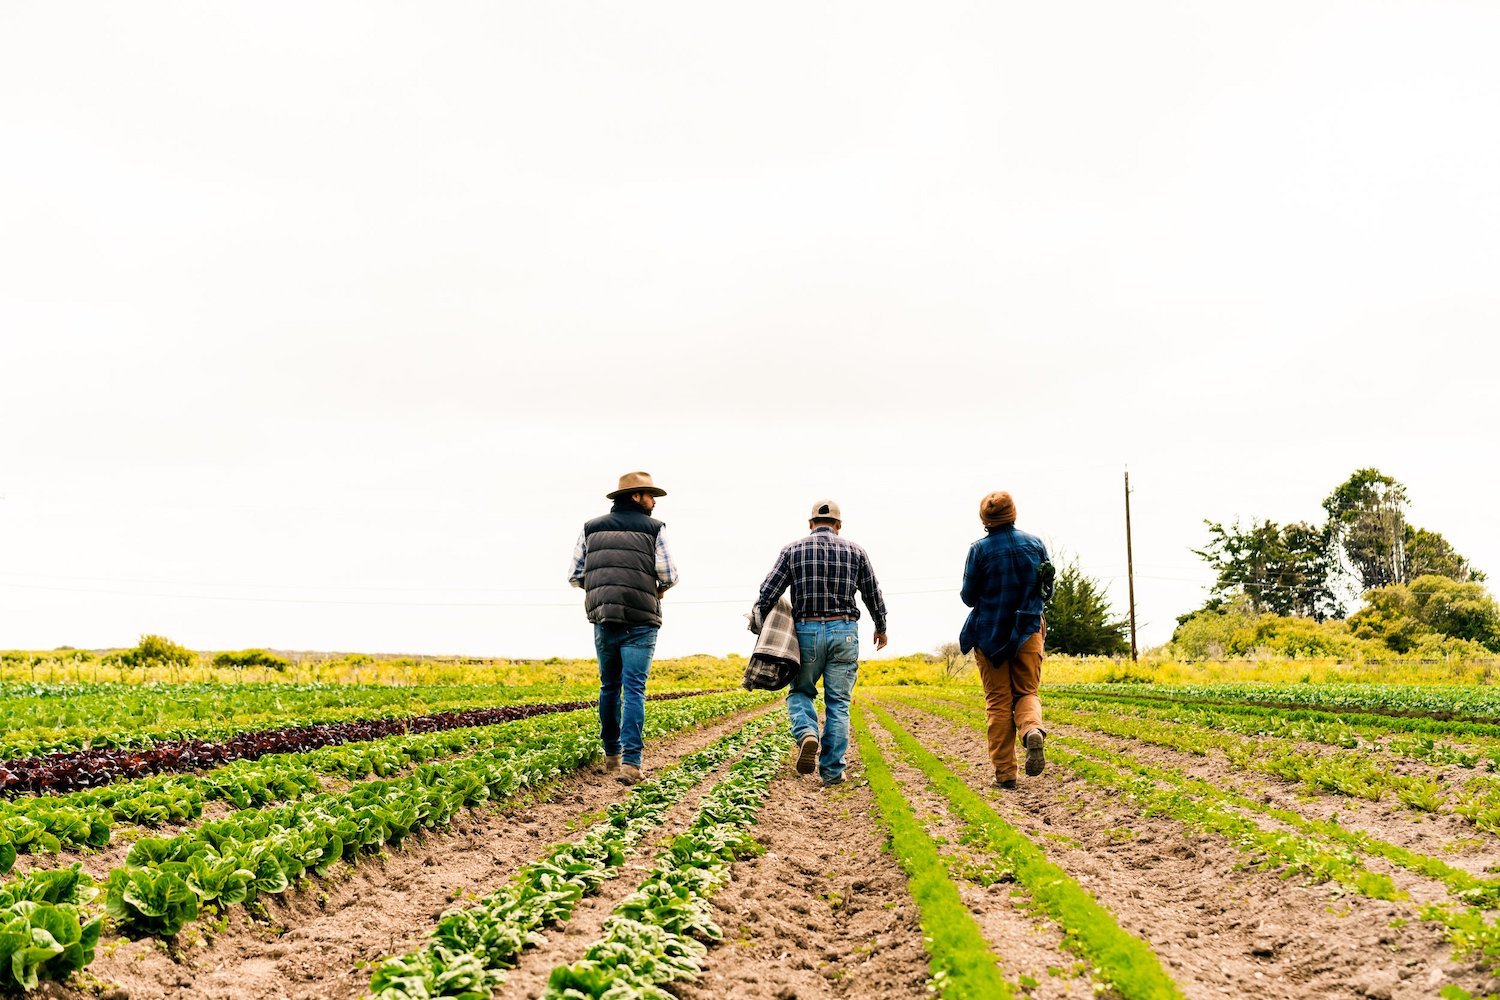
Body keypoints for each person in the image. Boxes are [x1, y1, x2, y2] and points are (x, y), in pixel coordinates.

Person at [756, 499, 887, 787]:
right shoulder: (856, 551)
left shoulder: (792, 550)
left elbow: (768, 591)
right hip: (845, 631)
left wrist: (761, 618)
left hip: (806, 632)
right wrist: (881, 626)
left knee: (801, 691)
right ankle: (831, 772)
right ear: (838, 525)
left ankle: (807, 733)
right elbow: (872, 593)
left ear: (810, 523)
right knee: (839, 703)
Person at [568, 471, 678, 785]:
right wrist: (653, 591)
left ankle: (611, 756)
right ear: (635, 496)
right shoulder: (655, 529)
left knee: (609, 687)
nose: (654, 501)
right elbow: (669, 575)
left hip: (604, 618)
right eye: (650, 495)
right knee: (634, 691)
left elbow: (575, 575)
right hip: (641, 622)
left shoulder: (591, 528)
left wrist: (605, 589)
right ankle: (632, 763)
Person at [959, 491, 1054, 790]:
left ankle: (1005, 774)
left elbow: (968, 596)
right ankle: (1031, 730)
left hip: (989, 635)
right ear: (1014, 512)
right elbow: (1047, 590)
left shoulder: (979, 551)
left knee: (998, 702)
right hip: (1028, 631)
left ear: (985, 519)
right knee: (1027, 691)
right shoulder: (1036, 544)